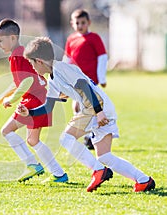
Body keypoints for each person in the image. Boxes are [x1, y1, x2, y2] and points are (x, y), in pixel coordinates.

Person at [18, 36, 155, 192]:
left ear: (39, 61)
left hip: (96, 106)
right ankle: (144, 180)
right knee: (105, 156)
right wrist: (29, 112)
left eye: (32, 63)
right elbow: (49, 106)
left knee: (66, 138)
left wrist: (99, 112)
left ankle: (98, 170)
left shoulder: (62, 68)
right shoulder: (53, 78)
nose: (32, 67)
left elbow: (84, 85)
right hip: (99, 108)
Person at [0, 19, 68, 183]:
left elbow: (26, 82)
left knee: (7, 131)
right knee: (33, 140)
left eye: (0, 41)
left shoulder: (17, 56)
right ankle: (59, 174)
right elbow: (19, 81)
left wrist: (11, 99)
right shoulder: (21, 53)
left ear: (12, 38)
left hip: (34, 100)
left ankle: (33, 165)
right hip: (40, 97)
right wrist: (0, 99)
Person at [62, 9, 109, 150]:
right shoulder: (71, 39)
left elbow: (102, 57)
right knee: (77, 106)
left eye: (83, 22)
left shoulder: (94, 38)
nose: (80, 25)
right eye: (77, 23)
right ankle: (84, 132)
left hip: (91, 80)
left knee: (89, 106)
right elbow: (68, 59)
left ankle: (90, 136)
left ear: (88, 22)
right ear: (72, 24)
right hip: (76, 80)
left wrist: (102, 77)